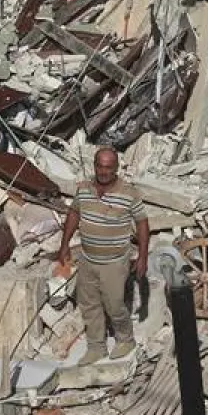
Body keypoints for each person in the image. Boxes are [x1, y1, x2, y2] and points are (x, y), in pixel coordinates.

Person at [56, 147, 150, 363]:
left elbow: (142, 223)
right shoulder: (84, 189)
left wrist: (143, 256)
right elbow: (74, 213)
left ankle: (125, 339)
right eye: (100, 165)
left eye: (109, 167)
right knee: (89, 304)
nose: (103, 171)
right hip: (88, 259)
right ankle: (96, 346)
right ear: (94, 165)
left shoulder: (129, 193)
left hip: (114, 262)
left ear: (116, 168)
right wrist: (64, 245)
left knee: (114, 303)